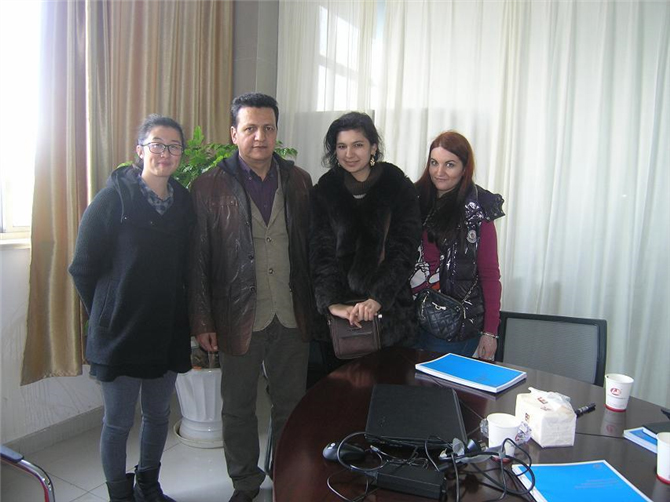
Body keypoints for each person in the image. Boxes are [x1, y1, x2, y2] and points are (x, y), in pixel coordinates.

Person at [188, 93, 316, 502]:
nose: (260, 137)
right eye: (250, 128)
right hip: (236, 314)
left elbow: (312, 248)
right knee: (238, 406)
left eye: (268, 128)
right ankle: (244, 482)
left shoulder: (299, 181)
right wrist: (203, 321)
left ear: (277, 132)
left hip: (291, 312)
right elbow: (197, 259)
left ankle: (285, 474)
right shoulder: (207, 185)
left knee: (290, 403)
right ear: (234, 133)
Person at [69, 114, 193, 502]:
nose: (165, 153)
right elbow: (82, 267)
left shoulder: (184, 202)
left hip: (166, 329)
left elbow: (188, 264)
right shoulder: (112, 199)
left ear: (181, 155)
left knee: (158, 415)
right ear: (140, 150)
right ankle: (119, 495)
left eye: (174, 146)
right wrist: (106, 311)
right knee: (118, 422)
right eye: (157, 144)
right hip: (119, 333)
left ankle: (148, 486)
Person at [310, 112, 421, 349]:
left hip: (389, 314)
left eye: (358, 145)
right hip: (338, 321)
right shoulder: (324, 191)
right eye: (342, 146)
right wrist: (332, 304)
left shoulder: (398, 187)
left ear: (373, 147)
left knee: (389, 373)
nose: (349, 154)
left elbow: (405, 250)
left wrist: (378, 297)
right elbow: (321, 254)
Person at [410, 130, 504, 359]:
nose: (439, 172)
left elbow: (490, 274)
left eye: (449, 165)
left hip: (452, 324)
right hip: (409, 318)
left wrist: (490, 332)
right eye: (434, 163)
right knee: (405, 379)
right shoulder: (412, 200)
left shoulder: (477, 211)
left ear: (464, 169)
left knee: (435, 382)